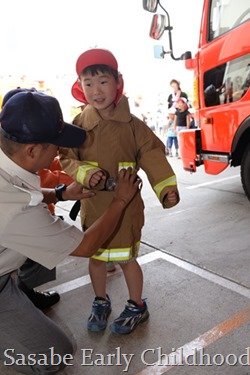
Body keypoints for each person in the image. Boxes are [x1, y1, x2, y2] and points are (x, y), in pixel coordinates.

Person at [0, 90, 140, 375]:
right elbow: (87, 246)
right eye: (56, 146)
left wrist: (61, 193)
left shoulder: (8, 161)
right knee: (54, 356)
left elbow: (23, 192)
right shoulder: (13, 205)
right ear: (31, 150)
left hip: (6, 278)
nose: (60, 152)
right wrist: (121, 200)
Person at [59, 48, 180, 335]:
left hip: (126, 208)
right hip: (94, 205)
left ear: (118, 82)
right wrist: (84, 173)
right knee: (96, 257)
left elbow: (152, 154)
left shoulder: (133, 125)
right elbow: (66, 157)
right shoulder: (78, 125)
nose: (96, 90)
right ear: (79, 86)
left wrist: (166, 189)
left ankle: (137, 305)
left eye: (102, 81)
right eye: (88, 84)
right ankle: (100, 300)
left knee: (127, 258)